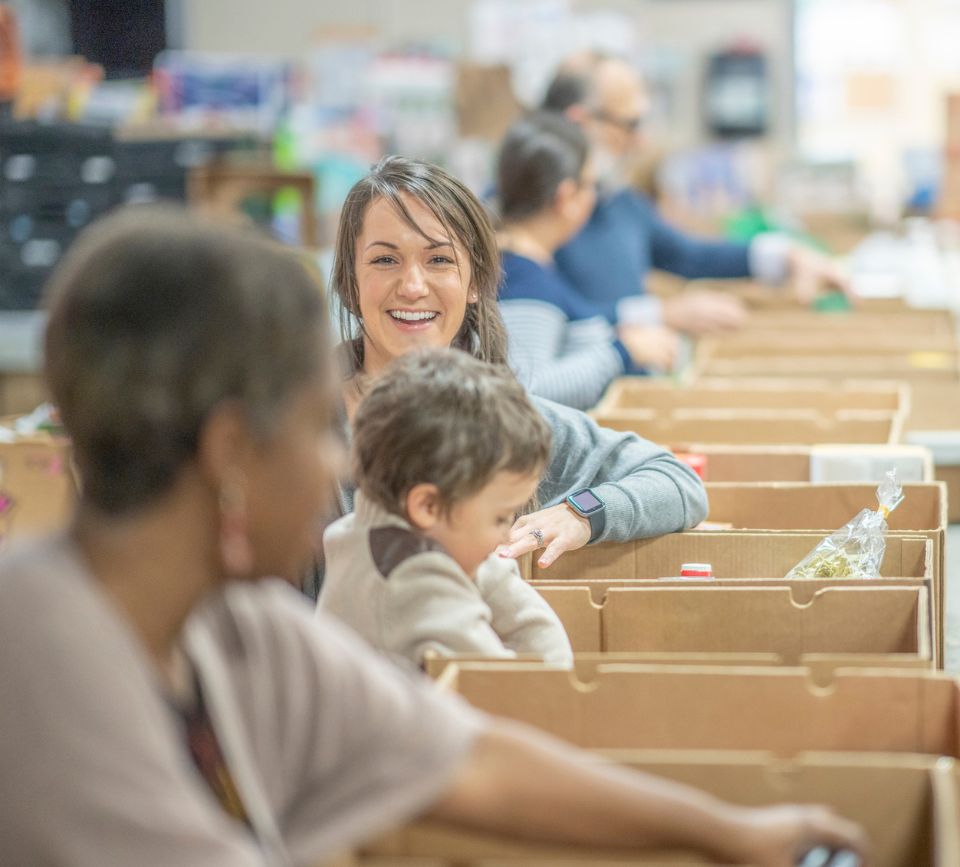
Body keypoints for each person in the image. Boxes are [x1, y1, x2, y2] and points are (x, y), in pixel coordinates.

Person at [0, 206, 871, 867]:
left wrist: (735, 831)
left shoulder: (234, 628)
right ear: (230, 452)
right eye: (319, 427)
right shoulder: (42, 656)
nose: (342, 458)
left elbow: (468, 761)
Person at [330, 155, 706, 572]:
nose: (413, 287)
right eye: (385, 260)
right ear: (351, 280)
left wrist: (581, 513)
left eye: (439, 260)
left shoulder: (499, 414)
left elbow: (676, 481)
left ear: (474, 282)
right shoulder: (301, 421)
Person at [543, 51, 853, 336]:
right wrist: (659, 314)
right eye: (631, 124)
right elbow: (540, 322)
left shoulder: (616, 201)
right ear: (580, 122)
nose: (642, 142)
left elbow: (691, 256)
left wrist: (787, 256)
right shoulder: (523, 211)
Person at [320, 348, 573, 668]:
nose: (506, 532)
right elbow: (508, 687)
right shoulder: (416, 583)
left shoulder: (358, 531)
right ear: (428, 506)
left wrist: (486, 567)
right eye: (499, 517)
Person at [497, 111, 678, 409]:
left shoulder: (527, 266)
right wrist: (622, 352)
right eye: (590, 185)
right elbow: (525, 393)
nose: (594, 198)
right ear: (566, 198)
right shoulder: (523, 279)